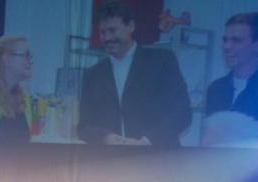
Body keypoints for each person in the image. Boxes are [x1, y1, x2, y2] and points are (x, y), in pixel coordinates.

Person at [77, 1, 191, 147]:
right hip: (111, 158)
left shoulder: (162, 61)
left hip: (158, 156)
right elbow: (84, 127)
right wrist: (106, 137)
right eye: (103, 32)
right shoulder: (92, 75)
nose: (107, 38)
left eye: (113, 30)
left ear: (131, 26)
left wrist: (147, 141)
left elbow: (182, 113)